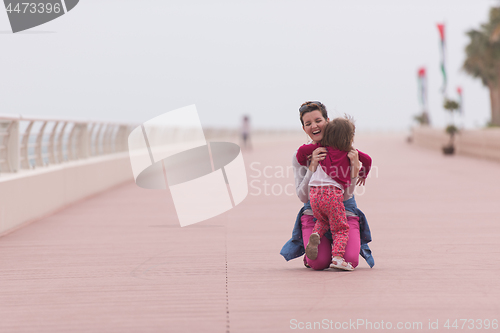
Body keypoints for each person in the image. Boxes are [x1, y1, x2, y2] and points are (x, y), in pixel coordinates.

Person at [280, 101, 374, 270]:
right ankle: (314, 250)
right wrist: (312, 167)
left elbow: (347, 195)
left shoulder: (345, 150)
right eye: (308, 124)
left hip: (343, 210)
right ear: (304, 129)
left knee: (351, 260)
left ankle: (328, 245)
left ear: (328, 121)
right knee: (319, 263)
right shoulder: (301, 154)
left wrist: (355, 169)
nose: (314, 126)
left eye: (318, 120)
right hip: (314, 213)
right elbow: (302, 197)